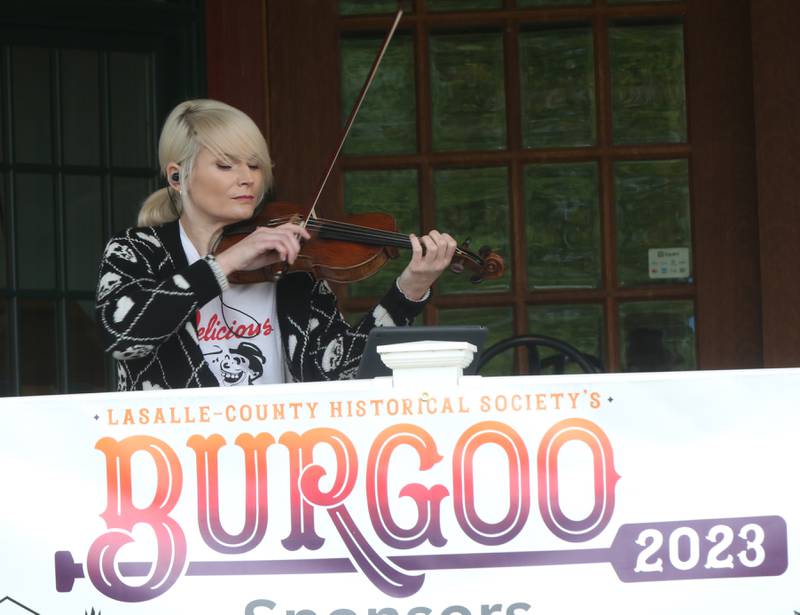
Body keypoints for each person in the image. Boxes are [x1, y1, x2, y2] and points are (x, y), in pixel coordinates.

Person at [95, 99, 456, 391]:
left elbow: (342, 373)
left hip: (276, 457)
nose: (247, 178)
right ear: (177, 176)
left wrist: (409, 291)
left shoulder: (290, 262)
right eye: (226, 165)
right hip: (176, 464)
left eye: (254, 165)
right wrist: (228, 261)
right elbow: (123, 336)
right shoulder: (138, 250)